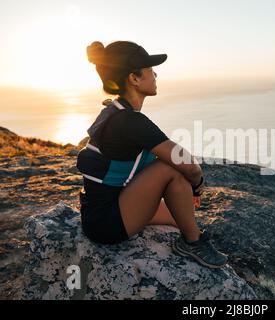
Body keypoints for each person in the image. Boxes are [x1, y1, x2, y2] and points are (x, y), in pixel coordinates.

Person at [77, 40, 227, 269]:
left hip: (110, 204)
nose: (155, 75)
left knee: (184, 215)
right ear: (134, 78)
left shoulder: (116, 111)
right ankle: (192, 243)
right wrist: (198, 185)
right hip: (106, 223)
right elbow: (187, 163)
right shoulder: (131, 122)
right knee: (171, 168)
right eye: (149, 70)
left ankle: (191, 233)